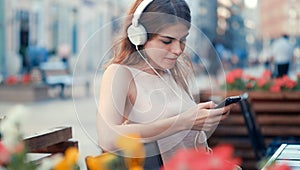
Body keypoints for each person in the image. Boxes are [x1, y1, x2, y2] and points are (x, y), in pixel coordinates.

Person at [97, 0, 234, 169]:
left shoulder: (173, 71)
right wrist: (184, 121)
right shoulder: (120, 73)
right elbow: (107, 138)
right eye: (167, 41)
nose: (178, 50)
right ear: (138, 35)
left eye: (183, 40)